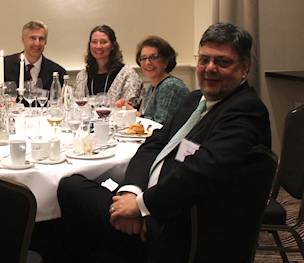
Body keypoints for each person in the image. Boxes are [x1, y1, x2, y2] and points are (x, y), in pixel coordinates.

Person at [57, 23, 271, 261]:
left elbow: (202, 171)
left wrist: (142, 207)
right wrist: (131, 192)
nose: (210, 68)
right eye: (204, 60)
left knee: (71, 190)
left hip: (176, 227)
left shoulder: (245, 109)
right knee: (77, 187)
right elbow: (154, 143)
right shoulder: (194, 101)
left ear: (244, 67)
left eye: (222, 62)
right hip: (150, 204)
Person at [116, 36, 190, 124]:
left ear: (166, 62)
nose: (147, 63)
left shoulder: (170, 86)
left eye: (154, 57)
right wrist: (126, 107)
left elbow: (161, 125)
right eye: (144, 58)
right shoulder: (153, 85)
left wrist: (133, 112)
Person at [74, 24, 143, 107]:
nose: (98, 46)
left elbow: (130, 107)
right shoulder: (82, 76)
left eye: (104, 42)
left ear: (112, 46)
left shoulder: (127, 75)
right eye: (94, 42)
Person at [0, 20, 66, 92]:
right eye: (33, 38)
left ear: (46, 41)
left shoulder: (58, 71)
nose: (37, 43)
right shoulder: (6, 65)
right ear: (23, 39)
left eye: (41, 38)